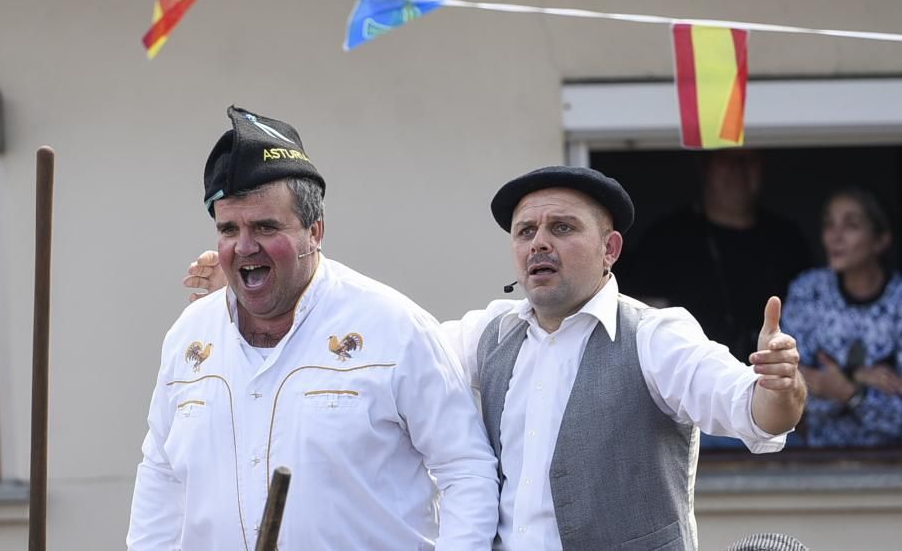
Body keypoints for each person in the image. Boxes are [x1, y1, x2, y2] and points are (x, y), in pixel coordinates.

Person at [186, 164, 806, 550]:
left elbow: (755, 412)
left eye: (562, 228)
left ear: (610, 247)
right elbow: (378, 345)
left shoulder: (656, 336)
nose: (539, 242)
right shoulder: (487, 334)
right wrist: (258, 276)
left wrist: (779, 384)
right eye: (525, 231)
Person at [128, 107, 499, 551]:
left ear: (315, 231)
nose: (244, 246)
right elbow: (161, 474)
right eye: (228, 229)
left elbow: (466, 470)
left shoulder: (393, 327)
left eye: (265, 226)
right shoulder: (190, 335)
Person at [620, 149, 811, 364]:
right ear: (705, 167)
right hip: (688, 377)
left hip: (769, 374)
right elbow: (642, 319)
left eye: (749, 160)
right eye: (727, 160)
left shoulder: (786, 238)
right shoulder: (667, 238)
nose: (739, 168)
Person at [781, 188, 902, 447]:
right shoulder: (808, 290)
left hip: (891, 462)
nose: (835, 236)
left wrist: (848, 393)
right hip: (814, 455)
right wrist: (857, 376)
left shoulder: (898, 300)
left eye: (851, 225)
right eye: (829, 224)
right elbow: (785, 386)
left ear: (881, 240)